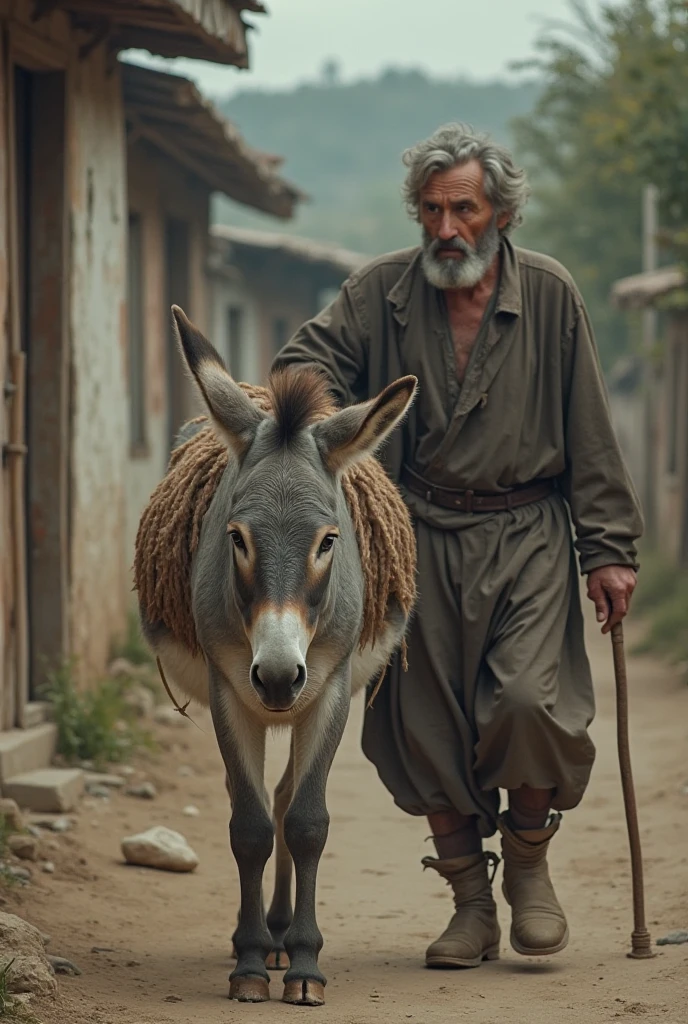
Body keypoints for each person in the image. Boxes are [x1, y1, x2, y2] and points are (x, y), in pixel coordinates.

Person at [271, 123, 643, 968]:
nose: (446, 230)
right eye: (432, 211)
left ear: (501, 213)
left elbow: (590, 429)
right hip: (416, 534)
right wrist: (346, 438)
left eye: (464, 210)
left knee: (528, 703)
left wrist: (608, 548)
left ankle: (530, 868)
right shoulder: (379, 294)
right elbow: (300, 364)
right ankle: (470, 903)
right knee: (425, 722)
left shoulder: (549, 293)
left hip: (530, 533)